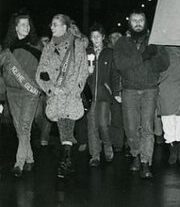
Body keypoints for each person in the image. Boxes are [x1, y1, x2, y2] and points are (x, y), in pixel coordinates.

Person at [113, 9, 169, 179]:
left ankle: (145, 162)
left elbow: (164, 64)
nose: (138, 23)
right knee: (130, 127)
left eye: (141, 20)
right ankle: (135, 154)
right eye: (134, 20)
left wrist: (154, 58)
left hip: (149, 89)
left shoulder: (155, 41)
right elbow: (121, 64)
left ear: (146, 22)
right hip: (129, 89)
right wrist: (143, 57)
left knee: (147, 127)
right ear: (129, 22)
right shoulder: (122, 42)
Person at [36, 14, 89, 178]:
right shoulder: (48, 48)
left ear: (64, 27)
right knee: (64, 128)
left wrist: (72, 89)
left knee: (66, 126)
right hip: (56, 95)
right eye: (51, 25)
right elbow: (41, 72)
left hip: (71, 94)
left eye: (55, 25)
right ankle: (66, 161)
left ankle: (64, 161)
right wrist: (51, 88)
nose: (51, 27)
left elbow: (83, 71)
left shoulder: (78, 45)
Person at [0, 12, 42, 177]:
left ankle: (19, 163)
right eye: (23, 24)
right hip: (12, 92)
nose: (26, 27)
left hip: (29, 92)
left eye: (28, 24)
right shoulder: (8, 47)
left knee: (24, 127)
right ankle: (29, 159)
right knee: (20, 129)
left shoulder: (37, 45)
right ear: (15, 27)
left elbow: (43, 67)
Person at [86, 23, 120, 167]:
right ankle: (95, 155)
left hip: (104, 95)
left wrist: (116, 92)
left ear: (103, 37)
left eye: (98, 36)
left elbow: (114, 75)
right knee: (91, 125)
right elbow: (80, 73)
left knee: (103, 124)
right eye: (93, 37)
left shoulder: (109, 53)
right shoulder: (86, 52)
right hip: (89, 95)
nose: (96, 39)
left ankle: (107, 144)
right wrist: (87, 72)